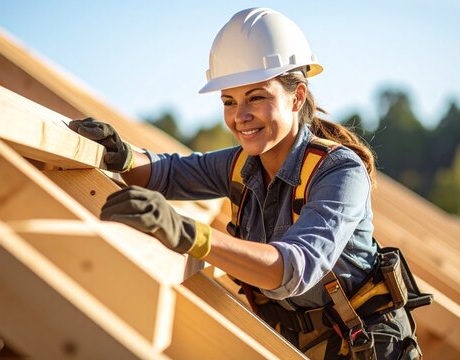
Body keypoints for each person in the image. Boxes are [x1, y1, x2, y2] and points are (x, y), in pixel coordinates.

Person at [70, 8, 427, 359]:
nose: (240, 117)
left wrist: (190, 234)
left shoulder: (338, 172)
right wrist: (124, 156)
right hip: (290, 343)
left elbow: (292, 268)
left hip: (365, 349)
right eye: (229, 101)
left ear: (297, 96)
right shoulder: (241, 165)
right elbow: (167, 173)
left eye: (256, 97)